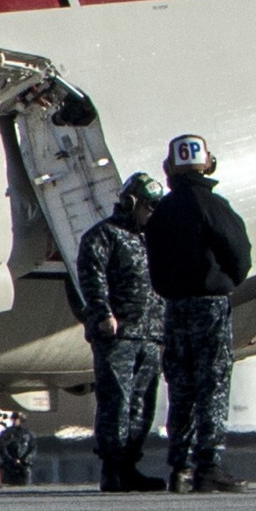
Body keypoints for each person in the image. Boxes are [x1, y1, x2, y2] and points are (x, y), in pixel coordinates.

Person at [144, 134, 252, 494]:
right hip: (209, 305)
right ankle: (209, 465)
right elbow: (239, 251)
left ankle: (180, 467)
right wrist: (228, 281)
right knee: (213, 384)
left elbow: (153, 262)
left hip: (174, 307)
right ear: (208, 164)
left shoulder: (162, 211)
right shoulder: (214, 206)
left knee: (182, 386)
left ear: (170, 169)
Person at [75, 172, 169, 493]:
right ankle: (113, 468)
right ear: (131, 203)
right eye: (149, 206)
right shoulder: (103, 237)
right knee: (117, 400)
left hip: (152, 332)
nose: (153, 213)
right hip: (118, 334)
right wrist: (103, 313)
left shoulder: (154, 239)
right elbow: (92, 278)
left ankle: (130, 464)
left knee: (143, 403)